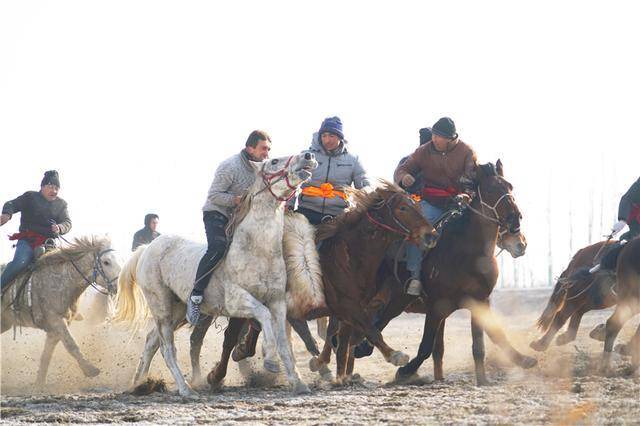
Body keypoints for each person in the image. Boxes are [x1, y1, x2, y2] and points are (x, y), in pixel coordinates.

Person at [186, 130, 272, 325]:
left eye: (268, 149)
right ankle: (196, 296)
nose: (267, 153)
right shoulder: (230, 166)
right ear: (250, 148)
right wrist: (236, 199)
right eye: (263, 149)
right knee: (218, 247)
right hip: (217, 213)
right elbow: (214, 195)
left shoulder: (265, 169)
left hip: (242, 218)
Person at [394, 117, 478, 295]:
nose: (434, 139)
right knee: (417, 229)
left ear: (450, 138)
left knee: (478, 229)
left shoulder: (467, 152)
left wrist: (465, 195)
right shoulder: (423, 151)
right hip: (431, 202)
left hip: (459, 203)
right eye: (433, 135)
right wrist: (404, 177)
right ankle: (414, 276)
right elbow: (403, 169)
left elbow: (471, 181)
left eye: (438, 136)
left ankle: (477, 276)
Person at [1, 170, 71, 291]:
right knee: (20, 262)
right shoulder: (30, 197)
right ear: (42, 186)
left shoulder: (61, 204)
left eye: (56, 188)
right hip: (27, 241)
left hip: (49, 244)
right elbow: (11, 204)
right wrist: (7, 214)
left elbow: (67, 222)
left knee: (62, 270)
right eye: (51, 186)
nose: (54, 191)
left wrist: (60, 228)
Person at [291, 116, 369, 225]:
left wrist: (371, 201)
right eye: (324, 136)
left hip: (338, 217)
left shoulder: (353, 160)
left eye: (332, 136)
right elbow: (292, 182)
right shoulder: (306, 156)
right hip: (306, 211)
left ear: (339, 137)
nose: (327, 140)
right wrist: (289, 206)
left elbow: (364, 186)